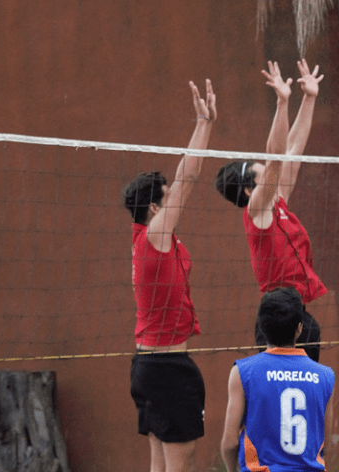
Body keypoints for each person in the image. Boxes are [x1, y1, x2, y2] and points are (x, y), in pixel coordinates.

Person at [122, 79, 216, 472]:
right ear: (154, 208)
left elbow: (180, 182)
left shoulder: (152, 239)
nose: (172, 197)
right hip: (165, 369)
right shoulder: (155, 236)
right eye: (166, 195)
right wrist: (203, 123)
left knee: (160, 463)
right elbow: (188, 178)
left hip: (149, 366)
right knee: (181, 464)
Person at [215, 59, 326, 361]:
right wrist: (281, 103)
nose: (269, 171)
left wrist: (309, 98)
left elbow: (292, 151)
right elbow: (276, 156)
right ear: (250, 190)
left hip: (299, 316)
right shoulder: (258, 210)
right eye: (262, 171)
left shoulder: (278, 202)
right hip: (277, 321)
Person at [220, 287, 335, 472]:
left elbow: (230, 443)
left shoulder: (243, 372)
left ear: (261, 327)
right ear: (299, 328)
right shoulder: (325, 377)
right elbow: (326, 446)